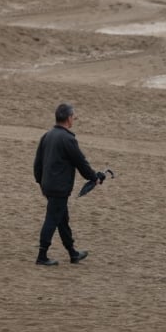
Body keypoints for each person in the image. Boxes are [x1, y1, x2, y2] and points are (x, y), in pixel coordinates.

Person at [33, 102, 105, 266]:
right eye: (73, 117)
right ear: (68, 119)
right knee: (52, 219)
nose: (74, 120)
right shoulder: (67, 139)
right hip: (59, 188)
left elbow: (37, 163)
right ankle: (42, 256)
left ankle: (72, 253)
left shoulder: (47, 135)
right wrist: (94, 178)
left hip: (48, 185)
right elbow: (81, 163)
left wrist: (41, 183)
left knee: (62, 219)